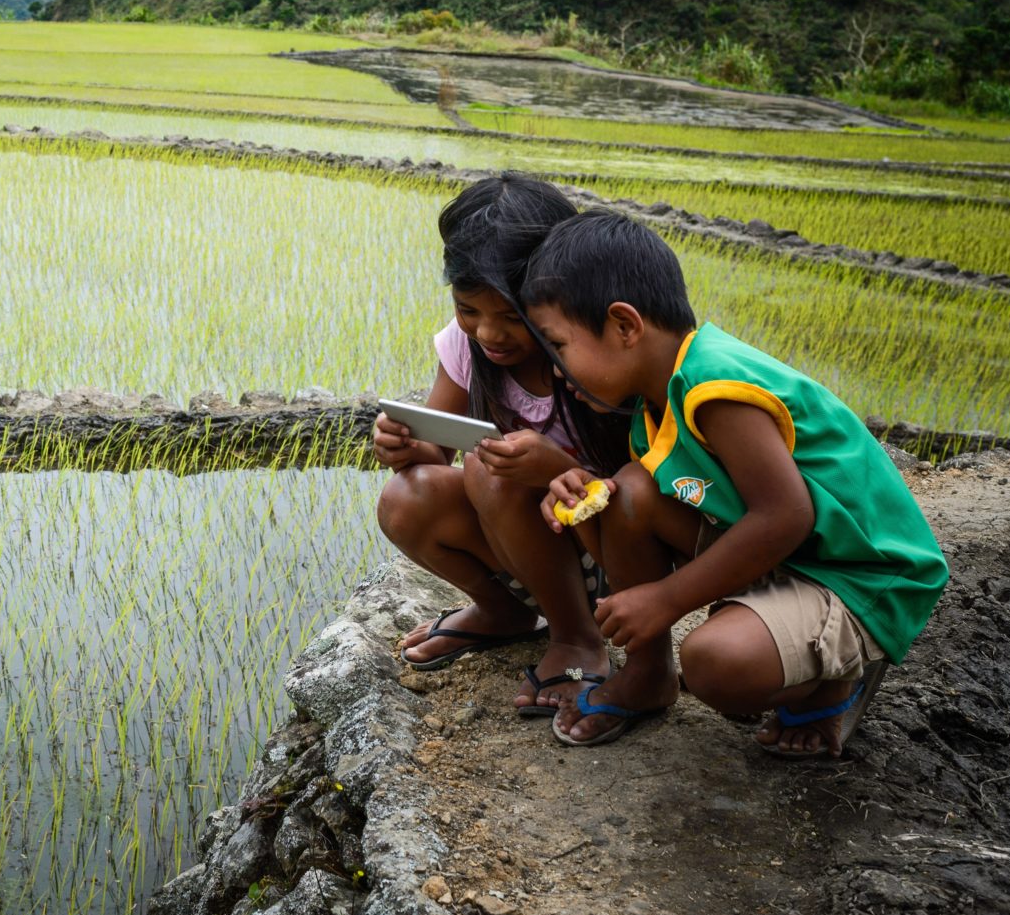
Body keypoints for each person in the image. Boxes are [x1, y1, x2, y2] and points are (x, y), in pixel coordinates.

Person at [519, 210, 949, 754]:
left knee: (716, 662)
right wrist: (583, 501)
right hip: (795, 556)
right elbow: (635, 531)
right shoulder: (656, 408)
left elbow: (786, 515)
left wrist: (667, 599)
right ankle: (648, 676)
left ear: (625, 326)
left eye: (558, 346)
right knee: (627, 491)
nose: (556, 370)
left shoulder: (715, 388)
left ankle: (831, 686)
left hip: (860, 575)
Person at [373, 174, 629, 716]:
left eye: (512, 316)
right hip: (527, 545)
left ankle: (579, 639)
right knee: (406, 497)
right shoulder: (468, 347)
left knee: (489, 468)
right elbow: (435, 455)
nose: (488, 333)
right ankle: (504, 613)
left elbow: (647, 485)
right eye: (470, 310)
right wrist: (402, 442)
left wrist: (557, 468)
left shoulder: (592, 352)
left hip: (613, 550)